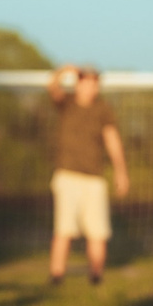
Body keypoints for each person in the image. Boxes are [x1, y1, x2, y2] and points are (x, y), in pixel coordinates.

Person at [46, 66, 128, 286]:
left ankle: (96, 275)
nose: (92, 87)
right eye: (87, 82)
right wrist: (64, 70)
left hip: (94, 177)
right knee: (64, 229)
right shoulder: (67, 103)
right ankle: (56, 275)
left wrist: (121, 171)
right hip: (67, 175)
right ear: (78, 83)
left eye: (95, 83)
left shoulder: (103, 109)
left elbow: (112, 139)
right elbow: (52, 86)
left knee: (97, 230)